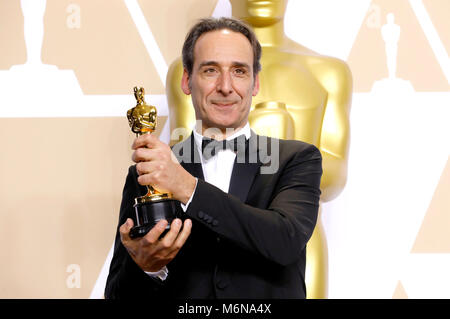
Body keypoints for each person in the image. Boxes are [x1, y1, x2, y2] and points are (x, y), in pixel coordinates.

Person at [105, 17, 322, 299]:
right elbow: (117, 296)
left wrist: (187, 187)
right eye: (210, 70)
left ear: (255, 83)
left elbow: (284, 240)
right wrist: (148, 269)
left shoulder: (297, 159)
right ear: (187, 80)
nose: (225, 86)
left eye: (239, 71)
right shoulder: (148, 174)